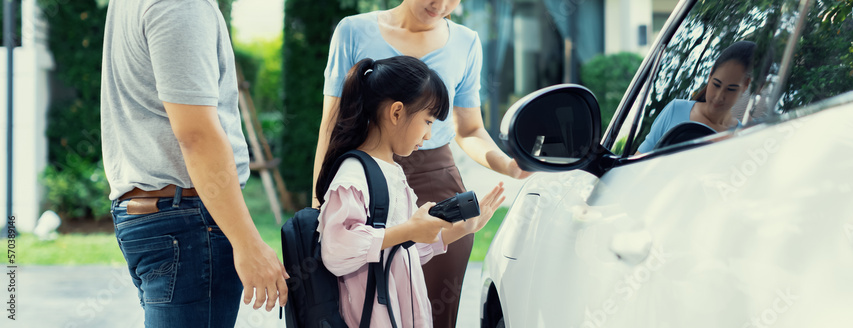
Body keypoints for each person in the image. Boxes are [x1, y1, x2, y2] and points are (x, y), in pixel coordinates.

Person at [315, 1, 530, 326]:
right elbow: (332, 123)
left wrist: (511, 166)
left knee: (430, 312)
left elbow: (469, 129)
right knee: (366, 303)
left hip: (437, 183)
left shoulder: (466, 41)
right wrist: (319, 202)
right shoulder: (352, 31)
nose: (442, 4)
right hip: (371, 182)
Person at [100, 0, 288, 326]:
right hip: (186, 222)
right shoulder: (182, 4)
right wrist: (248, 243)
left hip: (157, 216)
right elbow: (196, 134)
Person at [635, 41, 758, 155]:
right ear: (710, 74)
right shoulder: (675, 110)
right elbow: (637, 163)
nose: (719, 96)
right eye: (716, 84)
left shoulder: (743, 137)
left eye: (731, 89)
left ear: (746, 85)